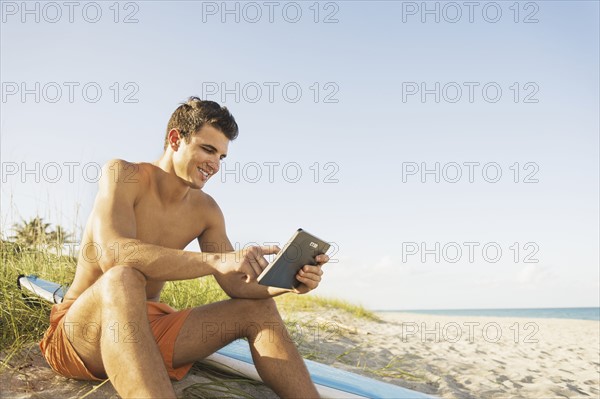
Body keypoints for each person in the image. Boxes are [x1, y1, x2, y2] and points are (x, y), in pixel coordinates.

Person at [39, 97, 329, 398]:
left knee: (259, 309)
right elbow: (115, 254)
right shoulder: (122, 174)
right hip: (81, 336)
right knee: (123, 276)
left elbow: (237, 284)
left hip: (147, 335)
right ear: (176, 139)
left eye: (221, 156)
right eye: (207, 149)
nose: (214, 164)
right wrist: (216, 259)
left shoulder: (207, 211)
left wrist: (290, 283)